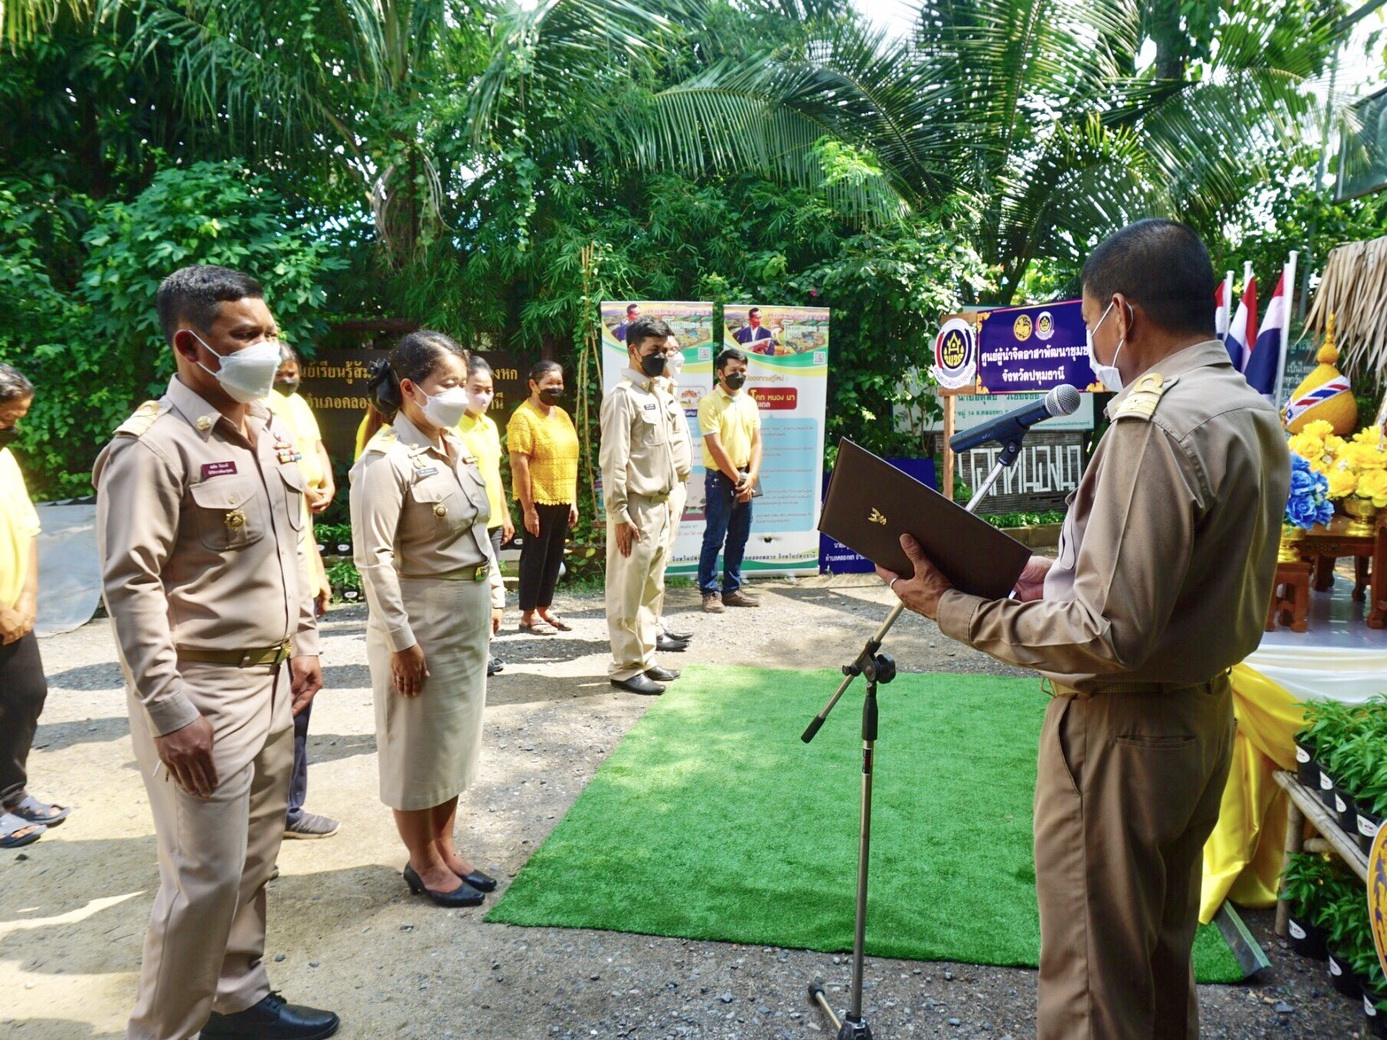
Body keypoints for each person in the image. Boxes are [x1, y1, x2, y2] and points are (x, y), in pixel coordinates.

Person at [878, 220, 1290, 1040]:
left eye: (1093, 318)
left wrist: (948, 608)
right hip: (1197, 719)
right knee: (1156, 961)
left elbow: (1105, 634)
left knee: (1097, 988)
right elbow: (1170, 575)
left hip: (1120, 733)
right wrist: (1045, 575)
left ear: (1123, 316)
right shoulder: (1243, 406)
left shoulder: (1155, 422)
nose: (1096, 340)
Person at [93, 264, 338, 1040]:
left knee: (254, 859)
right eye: (248, 335)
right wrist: (169, 711)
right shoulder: (151, 448)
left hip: (269, 681)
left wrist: (301, 642)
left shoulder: (265, 428)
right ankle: (163, 1031)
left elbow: (289, 546)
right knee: (201, 880)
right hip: (201, 692)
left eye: (269, 331)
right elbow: (130, 586)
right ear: (190, 344)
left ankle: (238, 995)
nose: (269, 346)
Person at [351, 331, 505, 908]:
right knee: (416, 746)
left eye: (465, 383)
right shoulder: (385, 460)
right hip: (419, 621)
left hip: (463, 620)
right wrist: (400, 640)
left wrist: (493, 590)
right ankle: (422, 863)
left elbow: (476, 532)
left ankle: (445, 846)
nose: (462, 394)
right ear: (411, 388)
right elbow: (374, 559)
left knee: (453, 741)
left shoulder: (455, 445)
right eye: (449, 384)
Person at [265, 345, 340, 840]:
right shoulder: (256, 413)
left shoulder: (296, 408)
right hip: (266, 599)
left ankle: (287, 809)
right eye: (282, 375)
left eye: (295, 374)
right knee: (273, 714)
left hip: (301, 568)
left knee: (297, 705)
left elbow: (316, 458)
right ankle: (269, 817)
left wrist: (318, 575)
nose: (289, 381)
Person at [0, 364, 70, 848]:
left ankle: (11, 793)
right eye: (6, 418)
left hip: (13, 612)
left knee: (27, 694)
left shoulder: (5, 460)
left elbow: (27, 530)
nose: (13, 428)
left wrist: (25, 601)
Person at [599, 317, 683, 696]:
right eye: (654, 352)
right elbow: (613, 461)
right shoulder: (622, 396)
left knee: (652, 588)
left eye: (665, 351)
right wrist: (619, 514)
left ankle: (645, 657)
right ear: (633, 351)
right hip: (634, 507)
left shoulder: (657, 393)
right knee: (626, 590)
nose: (661, 357)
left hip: (660, 505)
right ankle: (625, 666)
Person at [507, 361, 580, 635]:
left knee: (553, 556)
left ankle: (544, 608)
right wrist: (528, 509)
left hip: (562, 497)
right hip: (536, 499)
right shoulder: (522, 417)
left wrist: (572, 499)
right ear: (533, 385)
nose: (556, 389)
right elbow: (519, 465)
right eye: (550, 385)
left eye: (559, 384)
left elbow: (570, 459)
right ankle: (527, 615)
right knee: (535, 556)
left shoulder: (561, 414)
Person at [457, 354, 514, 676]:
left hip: (490, 520)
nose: (484, 396)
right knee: (468, 590)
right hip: (465, 522)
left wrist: (505, 514)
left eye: (489, 389)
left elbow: (494, 474)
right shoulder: (450, 426)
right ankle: (469, 652)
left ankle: (484, 649)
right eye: (476, 388)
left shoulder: (489, 425)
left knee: (489, 590)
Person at [696, 347, 762, 613]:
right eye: (734, 371)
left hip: (746, 475)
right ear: (720, 372)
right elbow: (715, 447)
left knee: (739, 536)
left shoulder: (749, 402)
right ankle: (709, 591)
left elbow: (757, 443)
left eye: (743, 371)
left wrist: (751, 478)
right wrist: (739, 480)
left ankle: (732, 590)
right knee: (715, 537)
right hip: (721, 478)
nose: (739, 375)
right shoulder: (709, 403)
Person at [652, 334, 693, 650]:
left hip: (677, 486)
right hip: (661, 490)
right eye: (669, 351)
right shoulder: (651, 392)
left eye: (677, 349)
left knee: (663, 561)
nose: (676, 356)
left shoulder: (670, 390)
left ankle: (657, 620)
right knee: (653, 565)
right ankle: (650, 629)